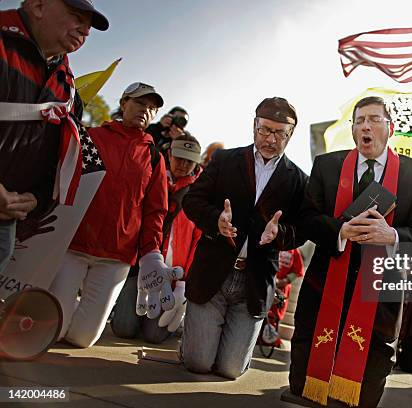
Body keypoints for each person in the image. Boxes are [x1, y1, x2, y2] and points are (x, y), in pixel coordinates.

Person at [289, 96, 412, 408]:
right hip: (324, 290)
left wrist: (392, 235)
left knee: (361, 397)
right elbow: (306, 219)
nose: (365, 126)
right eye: (359, 121)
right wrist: (339, 231)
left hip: (379, 299)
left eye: (373, 119)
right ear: (353, 130)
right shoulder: (327, 166)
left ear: (390, 128)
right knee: (305, 393)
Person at [180, 97, 308, 379]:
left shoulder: (299, 180)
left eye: (279, 133)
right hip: (212, 274)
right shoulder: (224, 160)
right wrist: (216, 220)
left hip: (255, 282)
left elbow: (302, 229)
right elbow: (192, 200)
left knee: (230, 370)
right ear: (254, 126)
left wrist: (280, 234)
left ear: (290, 135)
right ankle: (194, 344)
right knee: (198, 363)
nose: (270, 139)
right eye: (264, 130)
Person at [48, 82, 178, 348]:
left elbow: (156, 211)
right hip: (74, 245)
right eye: (140, 103)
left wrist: (151, 253)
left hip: (116, 256)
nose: (146, 110)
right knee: (54, 329)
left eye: (152, 108)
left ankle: (70, 307)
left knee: (83, 339)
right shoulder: (92, 136)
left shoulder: (154, 157)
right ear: (123, 103)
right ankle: (63, 300)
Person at [0, 0, 108, 274]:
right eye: (76, 16)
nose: (85, 30)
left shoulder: (69, 91)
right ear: (37, 5)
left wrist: (36, 199)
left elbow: (57, 158)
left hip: (5, 220)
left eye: (89, 25)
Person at [111, 134, 202, 343]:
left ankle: (177, 322)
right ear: (169, 154)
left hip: (171, 275)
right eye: (179, 157)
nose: (183, 164)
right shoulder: (152, 174)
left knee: (155, 335)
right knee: (124, 329)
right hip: (140, 267)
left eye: (189, 160)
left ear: (196, 163)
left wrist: (184, 282)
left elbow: (198, 240)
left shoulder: (200, 192)